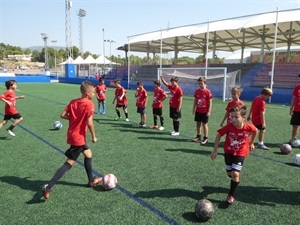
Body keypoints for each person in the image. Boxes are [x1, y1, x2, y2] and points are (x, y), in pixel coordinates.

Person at [42, 81, 102, 199]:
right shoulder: (89, 104)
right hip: (78, 138)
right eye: (93, 93)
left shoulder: (73, 102)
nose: (94, 95)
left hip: (73, 135)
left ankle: (91, 181)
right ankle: (48, 187)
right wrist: (94, 136)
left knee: (88, 154)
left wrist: (74, 119)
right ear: (87, 93)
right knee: (69, 162)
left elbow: (63, 115)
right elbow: (89, 122)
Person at [210, 105, 257, 204]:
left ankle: (231, 195)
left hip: (241, 153)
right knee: (230, 173)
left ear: (243, 117)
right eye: (231, 116)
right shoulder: (229, 127)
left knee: (235, 173)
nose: (233, 119)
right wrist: (215, 150)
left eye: (236, 117)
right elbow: (218, 136)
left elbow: (255, 130)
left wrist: (251, 143)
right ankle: (235, 179)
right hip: (228, 152)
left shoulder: (248, 127)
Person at [192, 77, 212, 145]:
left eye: (201, 83)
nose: (200, 85)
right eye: (199, 83)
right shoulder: (197, 91)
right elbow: (195, 100)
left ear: (205, 83)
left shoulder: (207, 91)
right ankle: (198, 136)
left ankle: (206, 138)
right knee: (198, 124)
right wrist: (194, 108)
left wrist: (209, 111)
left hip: (205, 111)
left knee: (204, 124)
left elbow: (210, 102)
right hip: (198, 110)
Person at [289, 76, 300, 142]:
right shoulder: (297, 87)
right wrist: (291, 108)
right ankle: (293, 139)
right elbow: (294, 98)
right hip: (297, 110)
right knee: (295, 125)